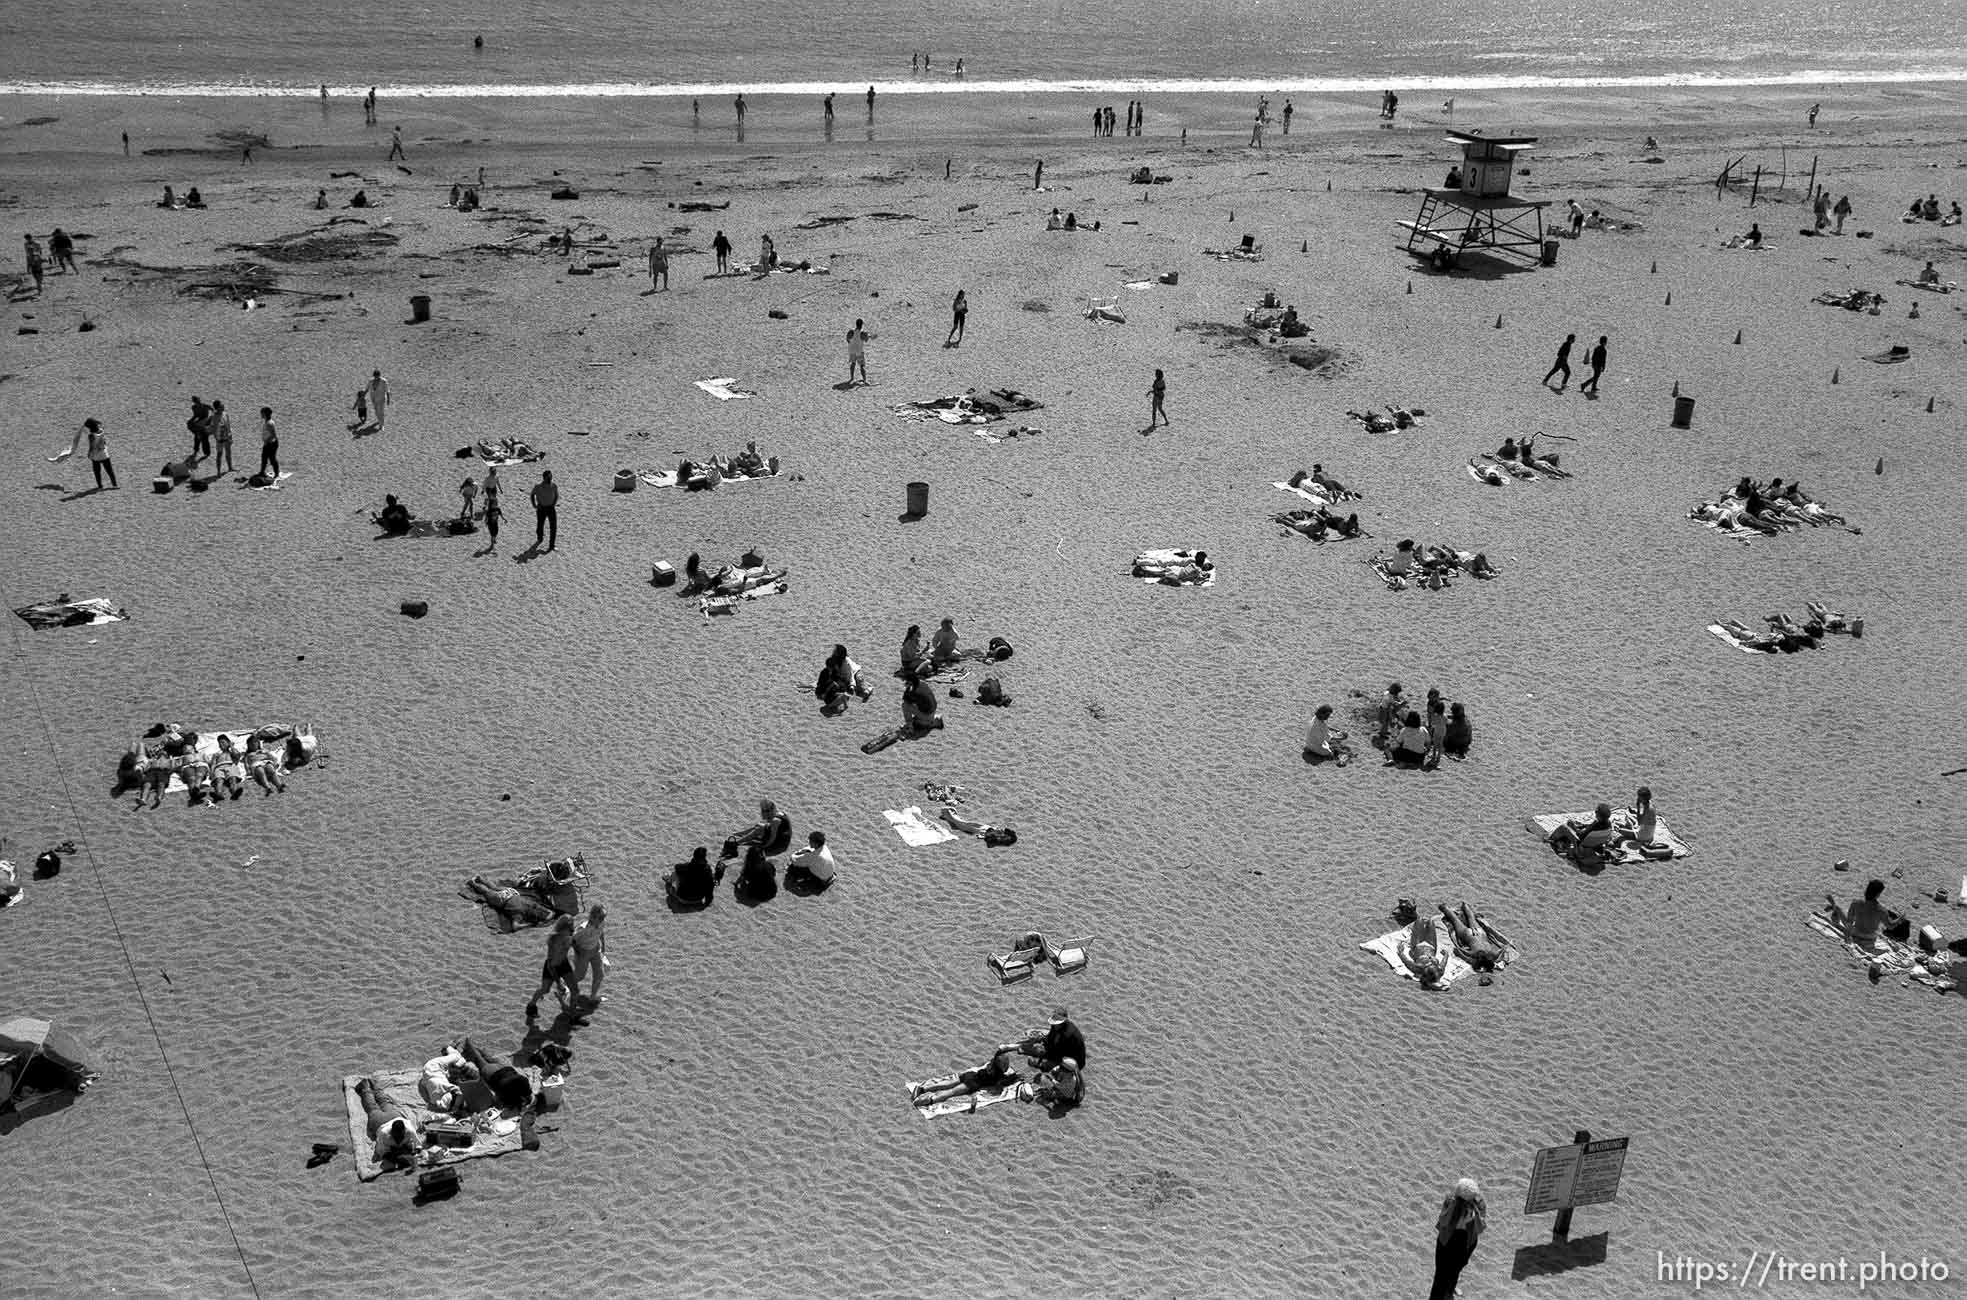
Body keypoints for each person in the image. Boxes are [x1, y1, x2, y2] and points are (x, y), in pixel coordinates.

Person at [1431, 1178, 1487, 1300]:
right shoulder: (1451, 1201)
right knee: (1441, 1274)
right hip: (1448, 1239)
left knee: (1457, 1268)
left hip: (1467, 1240)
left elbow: (1481, 1227)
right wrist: (1455, 1211)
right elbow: (1443, 1221)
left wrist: (1474, 1217)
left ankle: (1450, 1290)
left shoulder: (1479, 1203)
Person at [912, 1049, 1019, 1106]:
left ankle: (922, 1088)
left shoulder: (990, 1064)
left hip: (970, 1074)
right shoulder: (998, 1076)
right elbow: (999, 1088)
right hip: (973, 1083)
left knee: (948, 1083)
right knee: (951, 1092)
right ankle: (930, 1100)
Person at [353, 1076, 422, 1163]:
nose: (398, 1139)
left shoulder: (409, 1130)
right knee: (373, 1107)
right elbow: (383, 1153)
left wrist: (413, 1155)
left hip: (393, 1116)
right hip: (381, 1121)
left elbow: (418, 1147)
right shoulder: (384, 1134)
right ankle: (367, 1088)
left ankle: (369, 1086)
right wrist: (403, 1158)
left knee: (381, 1102)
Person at [525, 917, 580, 1020]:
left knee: (575, 990)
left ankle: (573, 1016)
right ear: (562, 929)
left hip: (564, 963)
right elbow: (551, 965)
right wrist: (558, 982)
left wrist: (580, 954)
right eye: (570, 929)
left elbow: (575, 945)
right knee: (545, 989)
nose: (572, 931)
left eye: (572, 928)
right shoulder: (554, 940)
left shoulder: (570, 936)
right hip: (552, 966)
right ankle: (531, 1005)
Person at [1011, 1007, 1087, 1071]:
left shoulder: (1068, 1034)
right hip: (1059, 1052)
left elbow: (1057, 1053)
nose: (1055, 1025)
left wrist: (1040, 1056)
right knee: (1035, 1051)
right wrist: (1041, 1042)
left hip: (1072, 1060)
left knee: (1044, 1065)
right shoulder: (1055, 1027)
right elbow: (1050, 1037)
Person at [1827, 879, 1891, 950]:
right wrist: (1900, 919)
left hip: (1856, 933)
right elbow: (1890, 926)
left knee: (1845, 916)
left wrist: (1847, 936)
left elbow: (1849, 923)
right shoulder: (1882, 910)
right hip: (1870, 938)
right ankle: (1835, 907)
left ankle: (1835, 906)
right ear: (1878, 894)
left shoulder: (1856, 903)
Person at [1437, 903, 1502, 971]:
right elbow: (1461, 952)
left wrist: (1498, 960)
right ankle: (1444, 908)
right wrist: (1459, 951)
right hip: (1468, 935)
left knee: (1471, 918)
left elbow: (1502, 950)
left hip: (1480, 932)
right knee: (1455, 920)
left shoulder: (1493, 953)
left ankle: (1465, 905)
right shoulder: (1475, 953)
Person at [723, 799, 793, 860]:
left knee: (759, 830)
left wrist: (765, 847)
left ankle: (736, 843)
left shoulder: (775, 821)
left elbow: (772, 837)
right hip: (781, 838)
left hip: (779, 845)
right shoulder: (779, 813)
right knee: (760, 826)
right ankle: (740, 835)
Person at [418, 1046, 479, 1114]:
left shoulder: (442, 1086)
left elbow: (459, 1092)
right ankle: (450, 1053)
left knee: (457, 1057)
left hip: (433, 1066)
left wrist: (456, 1107)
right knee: (455, 1066)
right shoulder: (433, 1099)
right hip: (430, 1073)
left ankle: (448, 1047)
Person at [60, 418, 117, 490]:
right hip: (105, 454)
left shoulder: (91, 436)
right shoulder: (102, 430)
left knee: (97, 472)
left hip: (96, 456)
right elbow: (99, 426)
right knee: (110, 471)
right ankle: (114, 485)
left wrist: (89, 454)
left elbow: (92, 446)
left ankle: (100, 487)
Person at [1547, 803, 1618, 858]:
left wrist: (1576, 828)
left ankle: (1551, 839)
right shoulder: (1608, 824)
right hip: (1593, 842)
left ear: (1599, 815)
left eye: (1597, 812)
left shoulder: (1596, 823)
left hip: (1580, 842)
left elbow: (1580, 834)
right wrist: (1582, 825)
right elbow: (1589, 828)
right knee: (1571, 822)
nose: (1595, 813)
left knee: (1564, 826)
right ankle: (1563, 841)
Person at [570, 904, 607, 1007]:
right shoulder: (583, 929)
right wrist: (578, 952)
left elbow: (601, 932)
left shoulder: (602, 923)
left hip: (595, 950)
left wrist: (603, 945)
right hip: (583, 953)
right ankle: (564, 987)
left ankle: (593, 997)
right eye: (599, 918)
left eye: (602, 918)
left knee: (599, 974)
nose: (601, 920)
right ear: (592, 916)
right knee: (579, 976)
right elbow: (572, 940)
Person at [1398, 918, 1449, 987]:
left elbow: (1406, 961)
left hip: (1417, 946)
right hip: (1431, 946)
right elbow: (1444, 961)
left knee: (1419, 920)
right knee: (1431, 922)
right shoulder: (1439, 969)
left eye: (1429, 966)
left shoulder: (1418, 967)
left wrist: (1401, 951)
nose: (1430, 963)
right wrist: (1446, 954)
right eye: (1432, 965)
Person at [530, 469, 558, 550]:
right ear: (544, 478)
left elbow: (556, 495)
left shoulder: (554, 485)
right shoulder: (538, 486)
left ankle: (551, 545)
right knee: (540, 525)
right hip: (541, 508)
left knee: (553, 527)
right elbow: (532, 494)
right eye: (548, 477)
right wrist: (534, 505)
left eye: (551, 476)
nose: (550, 478)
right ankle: (540, 537)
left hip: (551, 508)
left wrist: (554, 503)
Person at [257, 406, 279, 479]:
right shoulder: (267, 422)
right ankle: (262, 472)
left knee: (272, 459)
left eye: (262, 413)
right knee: (264, 457)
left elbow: (273, 434)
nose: (261, 414)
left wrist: (267, 441)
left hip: (271, 444)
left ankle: (276, 473)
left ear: (265, 414)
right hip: (269, 443)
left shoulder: (269, 423)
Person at [846, 318, 869, 384]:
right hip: (859, 351)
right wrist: (867, 336)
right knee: (862, 365)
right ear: (861, 325)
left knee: (853, 363)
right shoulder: (863, 333)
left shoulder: (851, 331)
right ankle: (864, 380)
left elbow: (847, 339)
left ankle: (852, 378)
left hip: (851, 350)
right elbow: (866, 340)